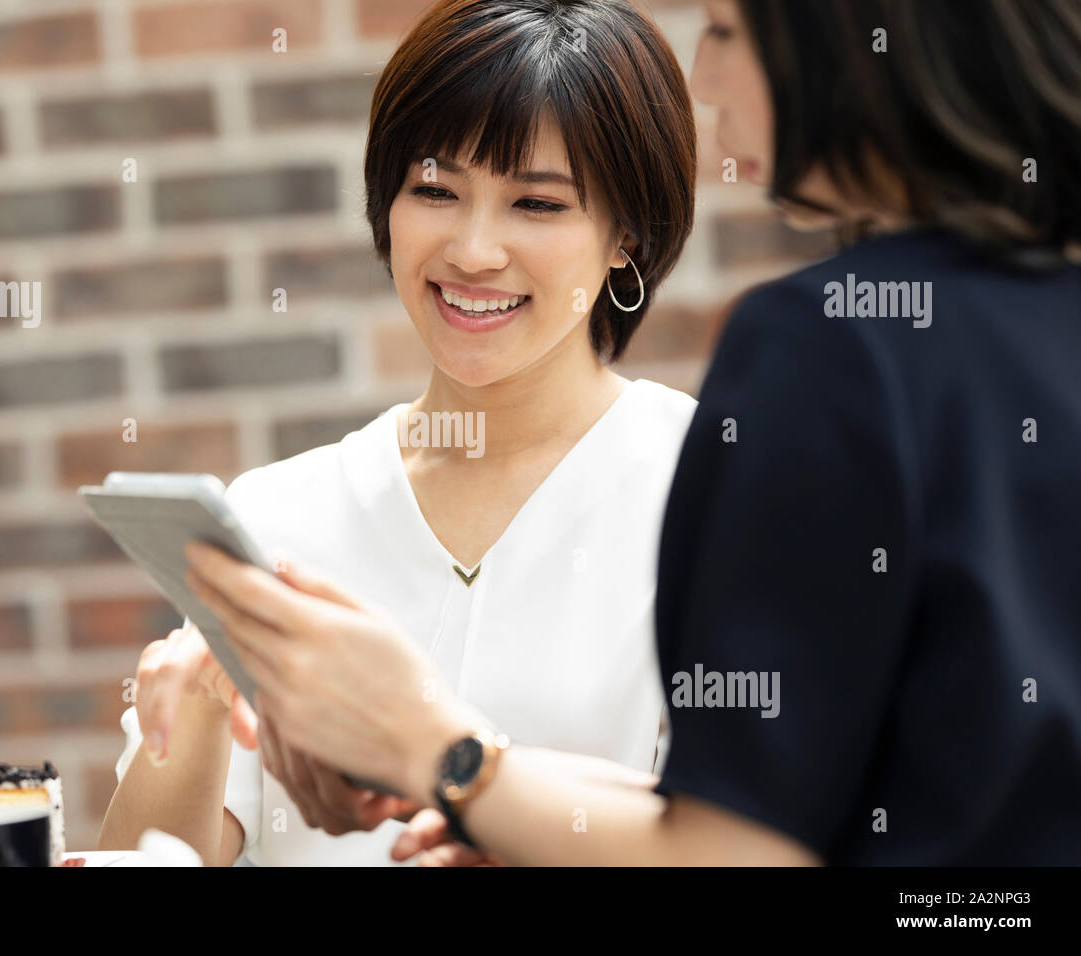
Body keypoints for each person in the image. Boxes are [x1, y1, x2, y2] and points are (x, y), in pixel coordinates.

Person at [182, 0, 1081, 865]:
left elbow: (742, 847)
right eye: (434, 190)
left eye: (728, 30)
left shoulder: (826, 350)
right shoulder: (1039, 322)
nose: (706, 72)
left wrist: (445, 756)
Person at [98, 0, 699, 865]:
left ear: (627, 237)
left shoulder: (711, 493)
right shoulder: (271, 518)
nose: (473, 250)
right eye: (434, 190)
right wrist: (194, 709)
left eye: (536, 203)